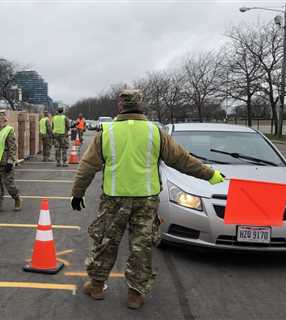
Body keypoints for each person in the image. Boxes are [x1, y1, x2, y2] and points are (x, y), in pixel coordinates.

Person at [71, 89, 225, 309]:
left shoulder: (107, 132)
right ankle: (136, 294)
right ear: (142, 105)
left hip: (114, 200)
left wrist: (78, 194)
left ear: (119, 105)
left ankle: (96, 286)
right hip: (146, 201)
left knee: (105, 242)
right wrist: (211, 175)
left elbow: (87, 167)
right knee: (141, 246)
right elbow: (182, 160)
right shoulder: (155, 132)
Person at [0, 110, 22, 213]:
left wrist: (11, 161)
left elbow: (12, 147)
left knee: (9, 184)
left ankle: (17, 199)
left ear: (3, 118)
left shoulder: (8, 130)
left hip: (5, 162)